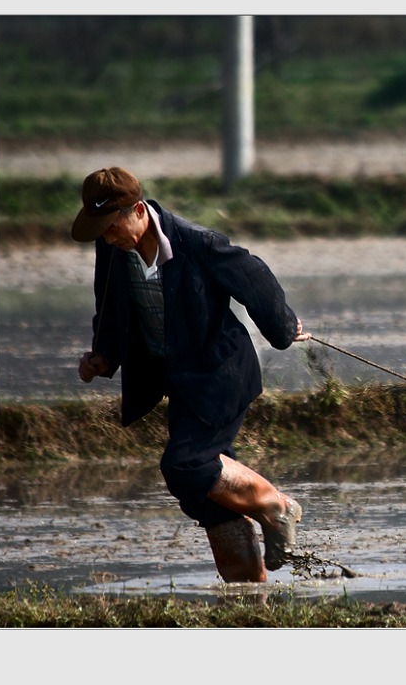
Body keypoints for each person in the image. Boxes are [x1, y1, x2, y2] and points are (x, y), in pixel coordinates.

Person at [72, 166, 311, 583]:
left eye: (111, 226)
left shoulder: (197, 244)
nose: (107, 237)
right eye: (101, 231)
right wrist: (104, 357)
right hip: (179, 380)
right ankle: (247, 592)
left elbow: (253, 276)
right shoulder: (111, 250)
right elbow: (109, 306)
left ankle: (277, 506)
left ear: (139, 211)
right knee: (203, 494)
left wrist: (283, 327)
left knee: (186, 465)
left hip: (221, 374)